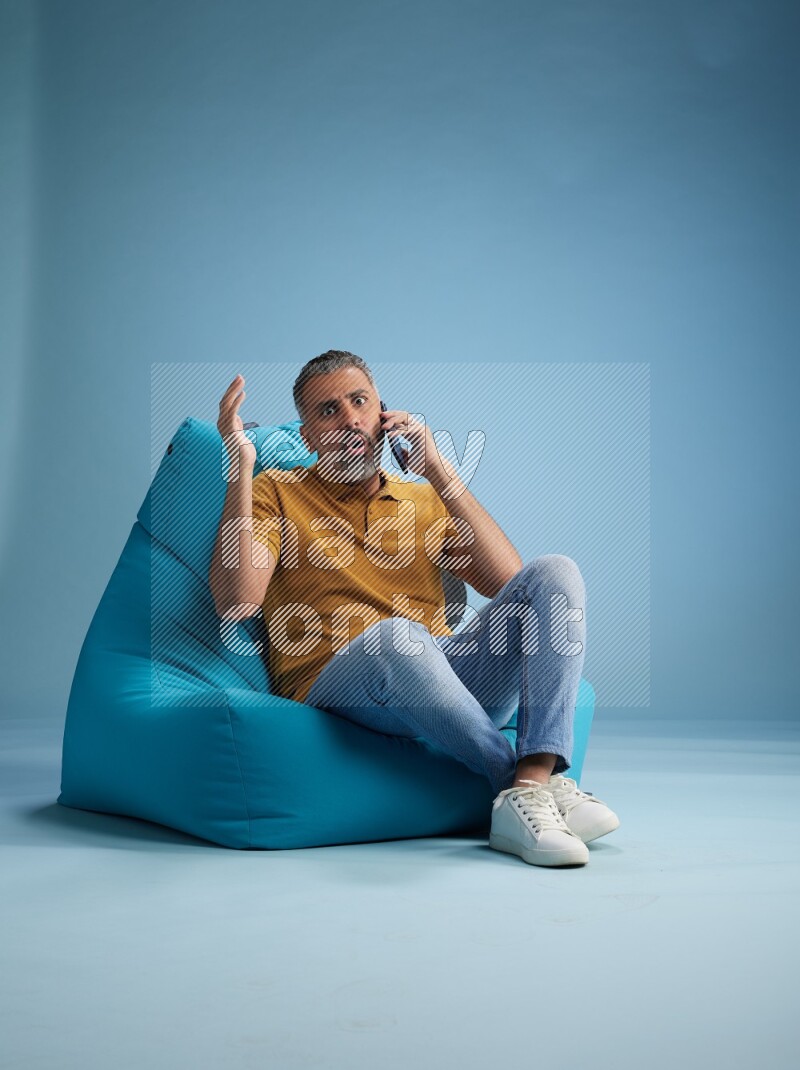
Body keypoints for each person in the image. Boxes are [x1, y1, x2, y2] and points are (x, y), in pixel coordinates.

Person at [209, 350, 620, 868]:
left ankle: (536, 780)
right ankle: (515, 785)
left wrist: (439, 472)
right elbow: (236, 599)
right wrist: (240, 466)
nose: (350, 418)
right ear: (308, 436)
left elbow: (507, 581)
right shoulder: (275, 492)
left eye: (359, 401)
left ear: (384, 412)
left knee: (555, 572)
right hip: (342, 684)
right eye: (328, 411)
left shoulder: (422, 499)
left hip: (441, 676)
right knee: (397, 637)